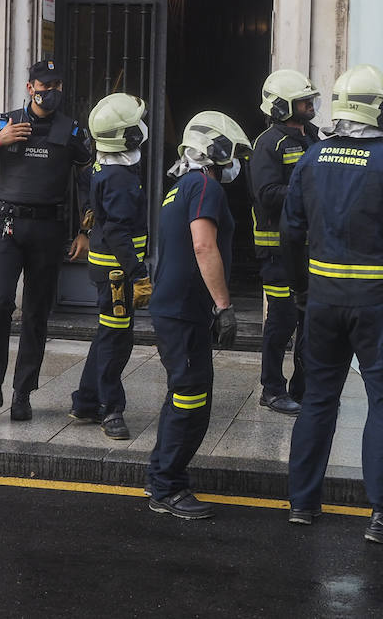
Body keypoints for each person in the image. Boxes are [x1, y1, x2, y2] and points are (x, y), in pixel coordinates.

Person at [283, 64, 383, 544]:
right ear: (375, 108)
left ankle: (302, 504)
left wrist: (299, 291)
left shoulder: (311, 158)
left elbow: (291, 232)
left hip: (322, 303)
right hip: (376, 306)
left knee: (318, 400)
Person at [0, 59, 91, 425]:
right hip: (7, 226)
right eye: (43, 85)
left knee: (36, 313)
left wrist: (85, 230)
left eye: (56, 86)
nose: (49, 92)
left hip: (48, 230)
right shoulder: (5, 122)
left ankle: (23, 392)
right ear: (29, 87)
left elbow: (87, 180)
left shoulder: (71, 130)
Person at [146, 111, 251, 520]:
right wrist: (225, 307)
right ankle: (166, 486)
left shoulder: (180, 186)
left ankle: (167, 478)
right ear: (217, 150)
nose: (235, 164)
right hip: (184, 311)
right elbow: (204, 246)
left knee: (186, 394)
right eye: (232, 154)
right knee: (189, 397)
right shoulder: (206, 186)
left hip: (176, 308)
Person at [69, 92, 152, 441]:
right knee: (117, 341)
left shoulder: (103, 167)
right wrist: (139, 273)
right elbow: (118, 229)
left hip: (108, 267)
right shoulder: (119, 176)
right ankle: (110, 409)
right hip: (117, 273)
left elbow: (89, 192)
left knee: (107, 333)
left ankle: (86, 401)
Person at [247, 69, 321, 416]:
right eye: (303, 101)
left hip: (310, 249)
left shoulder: (315, 137)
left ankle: (303, 389)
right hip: (277, 252)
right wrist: (312, 191)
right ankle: (271, 389)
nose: (310, 106)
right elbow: (267, 195)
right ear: (281, 107)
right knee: (282, 320)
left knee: (309, 321)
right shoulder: (268, 144)